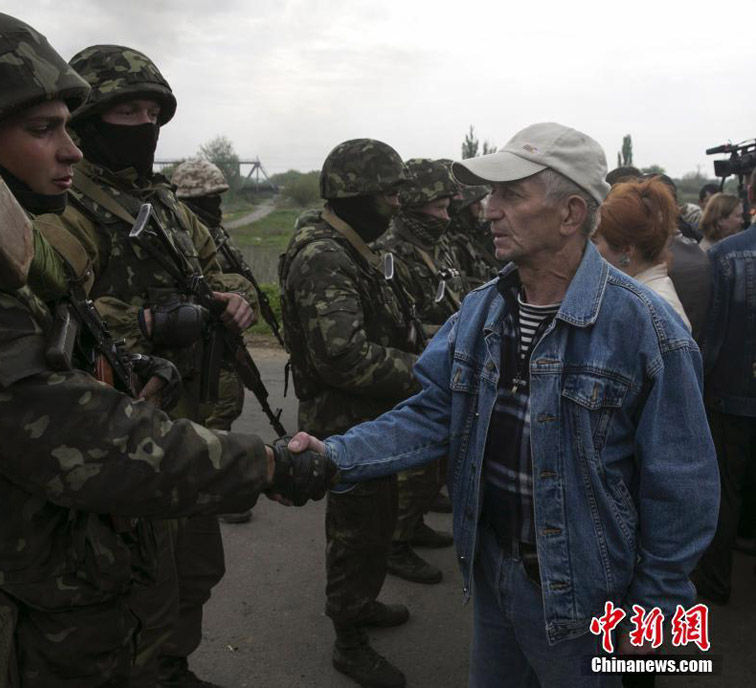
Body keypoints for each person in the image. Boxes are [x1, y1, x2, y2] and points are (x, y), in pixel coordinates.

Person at [0, 8, 334, 685]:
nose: (72, 151)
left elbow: (50, 367)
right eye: (43, 130)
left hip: (49, 595)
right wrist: (264, 464)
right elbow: (81, 440)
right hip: (0, 622)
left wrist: (126, 363)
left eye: (67, 126)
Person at [290, 122, 719, 687]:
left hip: (590, 603)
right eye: (492, 194)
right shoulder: (482, 310)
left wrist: (653, 618)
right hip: (495, 574)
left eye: (511, 194)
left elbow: (682, 487)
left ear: (570, 214)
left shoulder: (648, 330)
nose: (489, 210)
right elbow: (433, 411)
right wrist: (333, 455)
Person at [52, 44, 262, 688]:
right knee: (134, 589)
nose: (144, 125)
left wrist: (236, 298)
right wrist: (145, 322)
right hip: (123, 430)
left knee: (195, 572)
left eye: (153, 113)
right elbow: (53, 315)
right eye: (128, 112)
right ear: (87, 120)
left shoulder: (165, 204)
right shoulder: (64, 204)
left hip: (188, 426)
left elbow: (223, 268)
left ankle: (172, 668)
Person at [278, 139, 419, 688]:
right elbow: (344, 358)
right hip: (343, 420)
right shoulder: (325, 256)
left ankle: (362, 603)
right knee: (356, 534)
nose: (397, 204)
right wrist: (426, 370)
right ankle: (349, 639)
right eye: (389, 194)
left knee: (376, 524)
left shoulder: (352, 246)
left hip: (367, 415)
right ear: (357, 194)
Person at [373, 157, 462, 585]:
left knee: (436, 464)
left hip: (442, 364)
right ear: (412, 206)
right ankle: (395, 543)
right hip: (415, 369)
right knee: (416, 468)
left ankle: (414, 523)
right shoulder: (389, 252)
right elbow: (391, 325)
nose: (446, 217)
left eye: (448, 208)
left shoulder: (436, 244)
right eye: (438, 208)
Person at [172, 158, 254, 525]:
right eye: (209, 199)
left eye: (218, 197)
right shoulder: (180, 236)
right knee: (213, 414)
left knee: (226, 407)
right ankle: (213, 493)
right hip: (199, 344)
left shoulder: (215, 234)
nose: (217, 206)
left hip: (223, 340)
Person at [691, 170, 756, 606]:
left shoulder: (727, 256)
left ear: (749, 193)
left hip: (730, 392)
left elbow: (712, 334)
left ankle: (715, 582)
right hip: (731, 391)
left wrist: (699, 385)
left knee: (724, 489)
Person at [592, 176, 691, 330]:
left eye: (595, 241)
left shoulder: (653, 307)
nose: (588, 249)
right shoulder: (636, 293)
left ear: (626, 250)